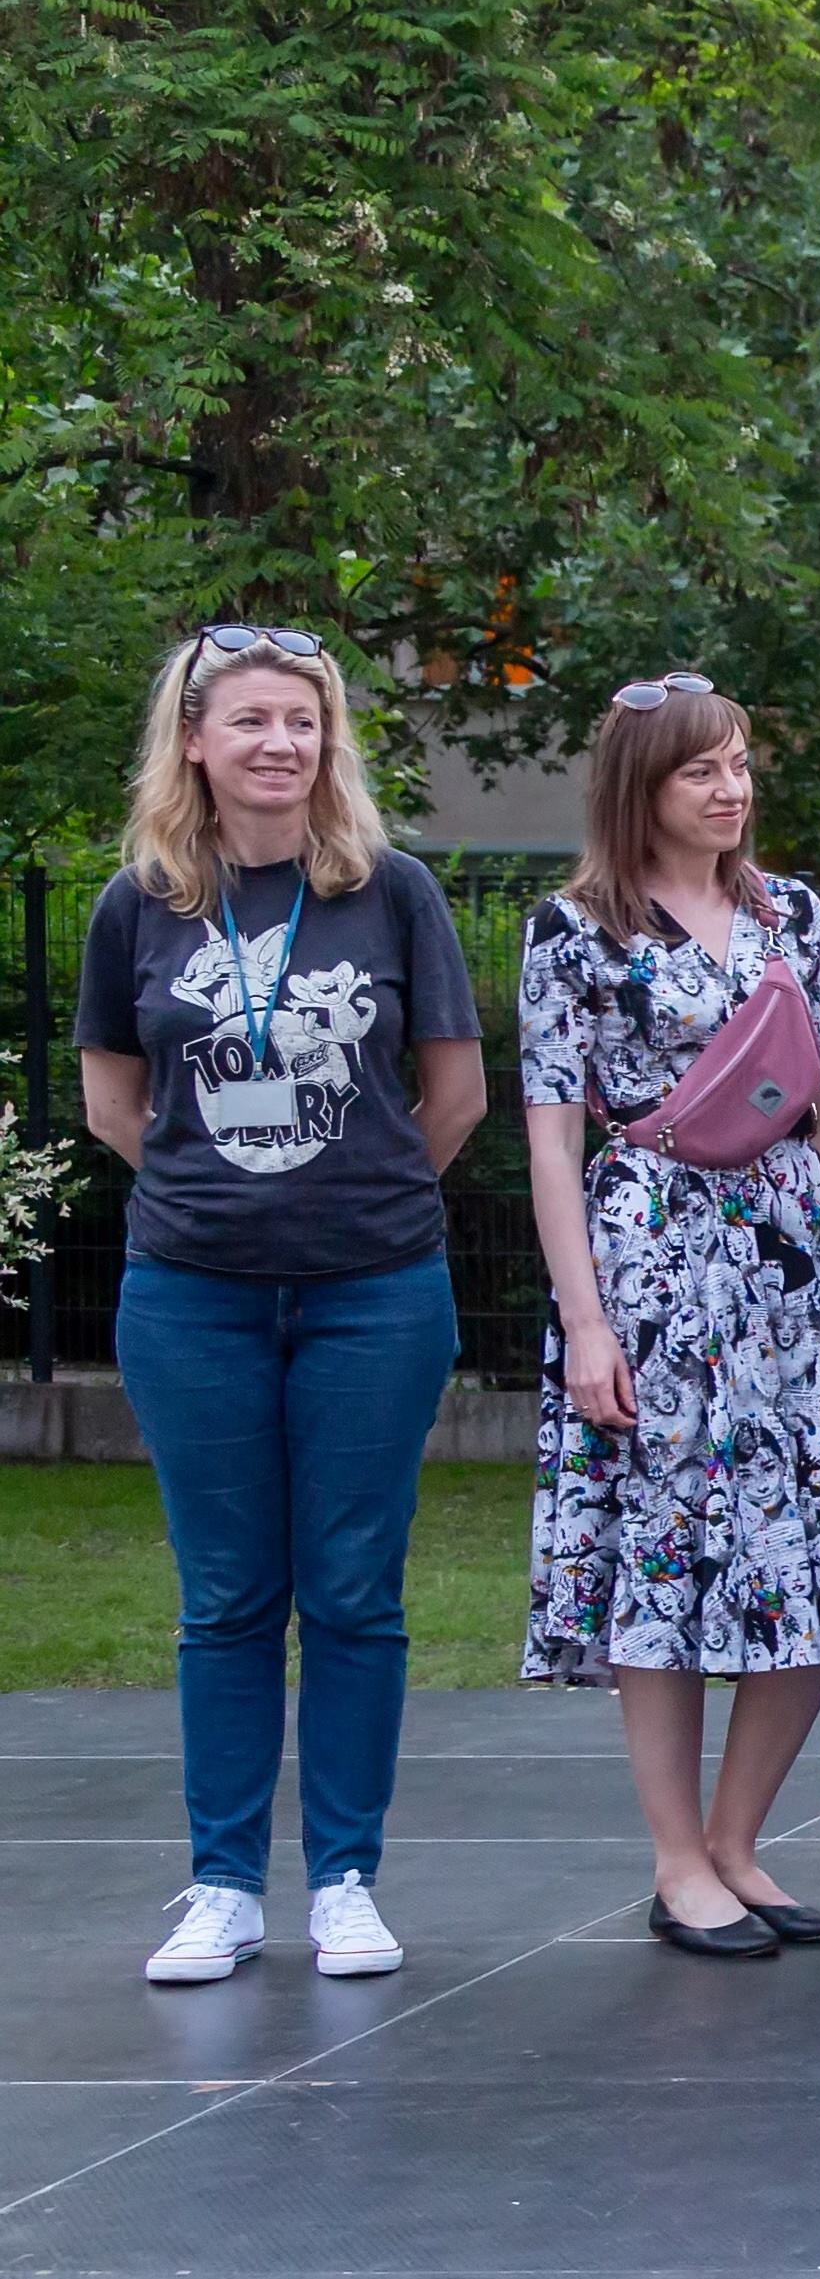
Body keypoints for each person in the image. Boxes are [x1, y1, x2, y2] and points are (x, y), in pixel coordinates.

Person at [85, 627, 486, 1987]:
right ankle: (221, 1885)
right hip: (191, 1295)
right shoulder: (138, 903)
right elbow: (113, 1101)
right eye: (251, 720)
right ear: (195, 741)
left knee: (356, 1588)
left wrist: (347, 1198)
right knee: (226, 1596)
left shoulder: (392, 891)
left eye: (302, 722)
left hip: (375, 1291)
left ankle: (345, 1880)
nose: (279, 743)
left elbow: (454, 1096)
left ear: (329, 743)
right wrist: (223, 1193)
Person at [516, 674, 820, 1960]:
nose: (732, 789)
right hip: (652, 1257)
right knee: (663, 1559)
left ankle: (737, 1842)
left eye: (739, 763)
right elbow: (552, 1139)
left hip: (790, 1260)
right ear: (643, 785)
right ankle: (678, 1859)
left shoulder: (793, 911)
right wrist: (587, 1324)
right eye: (701, 770)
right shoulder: (571, 930)